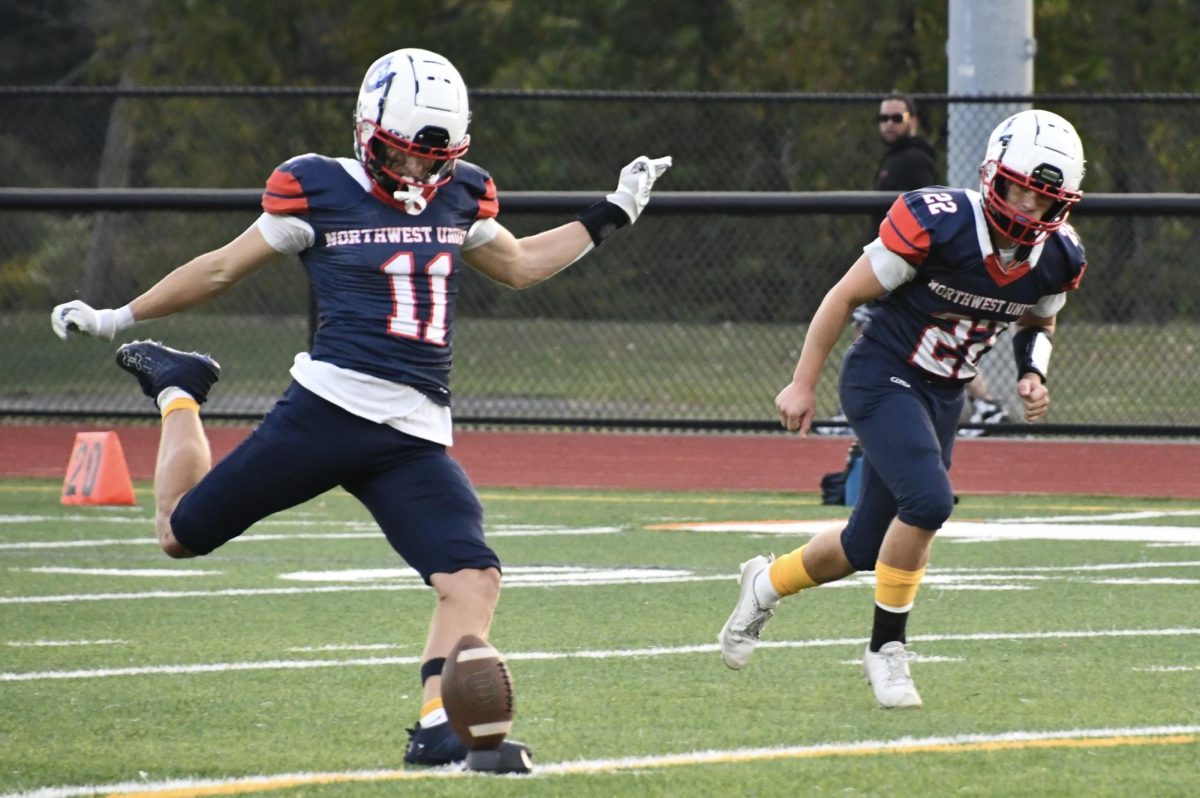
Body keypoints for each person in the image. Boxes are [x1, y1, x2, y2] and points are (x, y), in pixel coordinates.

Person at [51, 47, 671, 769]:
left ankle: (438, 731)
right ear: (366, 130)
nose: (415, 176)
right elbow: (220, 267)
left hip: (412, 432)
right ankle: (178, 389)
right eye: (400, 156)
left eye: (429, 162)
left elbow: (523, 265)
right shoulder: (315, 187)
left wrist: (615, 211)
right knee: (179, 534)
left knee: (472, 577)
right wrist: (119, 315)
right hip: (327, 412)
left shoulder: (463, 191)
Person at [719, 109, 1085, 708]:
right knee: (930, 501)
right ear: (994, 174)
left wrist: (1031, 371)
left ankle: (765, 582)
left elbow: (1038, 321)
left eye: (1044, 198)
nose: (1028, 206)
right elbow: (843, 295)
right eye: (1020, 187)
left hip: (943, 395)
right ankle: (886, 650)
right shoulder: (939, 222)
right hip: (882, 374)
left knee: (864, 545)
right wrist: (802, 382)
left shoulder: (1057, 256)